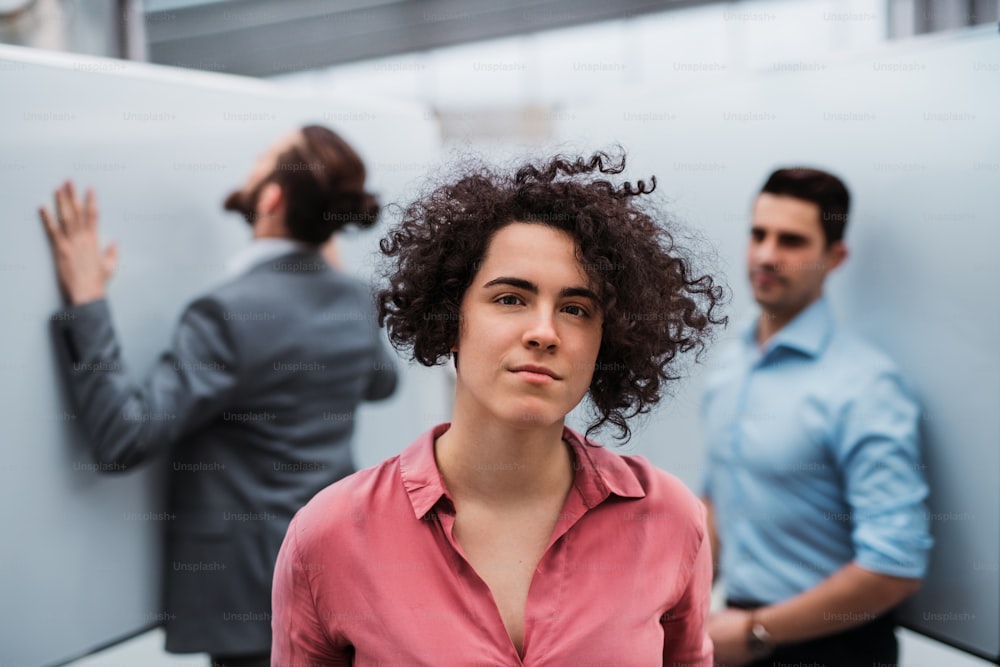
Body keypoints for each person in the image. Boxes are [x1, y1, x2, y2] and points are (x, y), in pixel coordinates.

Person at [271, 151, 726, 665]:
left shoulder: (667, 517)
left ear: (609, 342)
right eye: (510, 298)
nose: (544, 333)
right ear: (449, 318)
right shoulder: (330, 535)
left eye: (576, 310)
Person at [38, 125, 399, 667]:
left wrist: (87, 301)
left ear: (273, 197)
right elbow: (381, 382)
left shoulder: (228, 312)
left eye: (261, 160)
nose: (250, 168)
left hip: (252, 602)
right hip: (339, 572)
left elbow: (122, 437)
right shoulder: (351, 296)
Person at [701, 168, 933, 666]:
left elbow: (895, 565)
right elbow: (719, 496)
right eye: (758, 234)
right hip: (732, 636)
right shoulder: (732, 363)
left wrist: (758, 631)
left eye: (791, 240)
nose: (766, 254)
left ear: (835, 257)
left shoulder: (866, 386)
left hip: (832, 649)